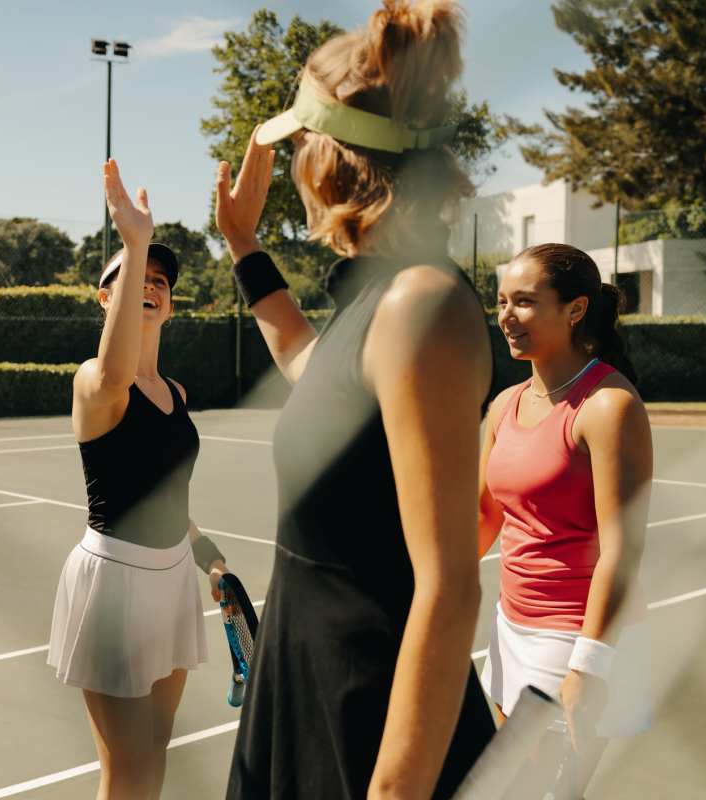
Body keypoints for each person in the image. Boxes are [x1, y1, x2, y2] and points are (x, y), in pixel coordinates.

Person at [218, 2, 497, 797]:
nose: (297, 159)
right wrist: (244, 247)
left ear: (329, 158)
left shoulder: (421, 304)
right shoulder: (378, 304)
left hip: (368, 719)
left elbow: (448, 585)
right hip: (307, 682)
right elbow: (310, 366)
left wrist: (394, 789)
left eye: (301, 141)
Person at [47, 159, 229, 800]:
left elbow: (171, 500)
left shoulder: (175, 392)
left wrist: (212, 564)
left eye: (158, 280)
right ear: (107, 298)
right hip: (115, 583)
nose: (149, 284)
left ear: (171, 302)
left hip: (175, 575)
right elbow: (116, 367)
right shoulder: (96, 383)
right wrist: (132, 241)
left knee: (153, 756)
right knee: (124, 769)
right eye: (131, 279)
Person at [478, 242, 653, 795]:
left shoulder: (608, 406)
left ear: (575, 310)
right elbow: (485, 517)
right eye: (502, 301)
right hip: (510, 626)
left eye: (524, 302)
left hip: (574, 635)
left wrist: (589, 665)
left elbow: (622, 548)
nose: (506, 316)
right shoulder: (505, 404)